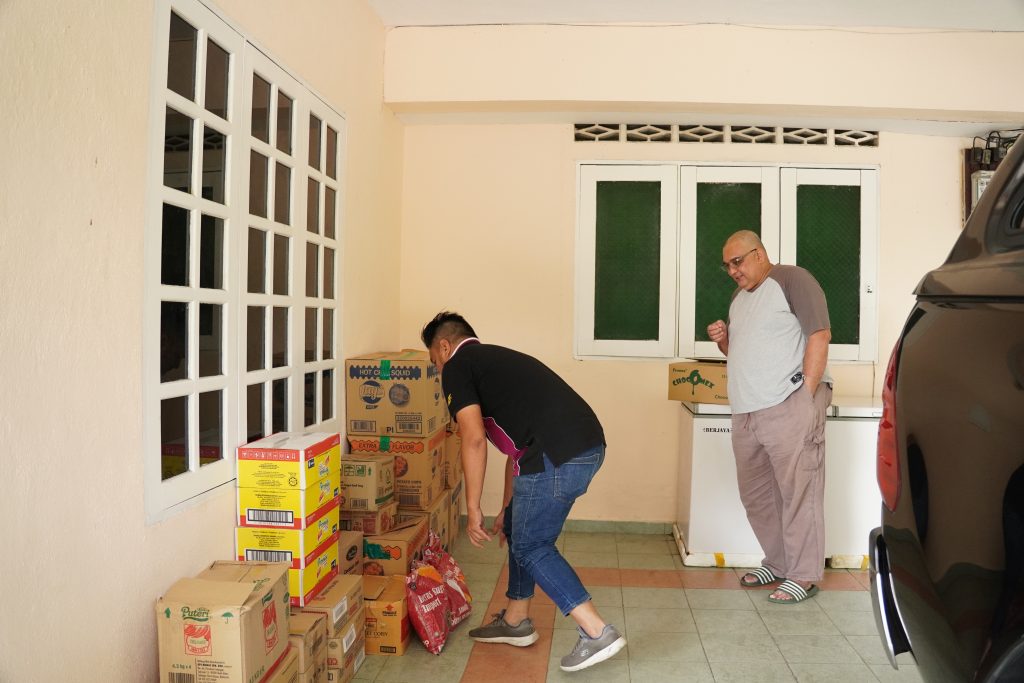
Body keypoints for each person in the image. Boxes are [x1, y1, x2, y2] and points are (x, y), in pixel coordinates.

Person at [421, 311, 626, 672]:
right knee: (518, 528)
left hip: (555, 456)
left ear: (444, 346)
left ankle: (597, 631)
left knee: (533, 546)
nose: (437, 369)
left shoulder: (457, 366)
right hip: (584, 447)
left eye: (434, 361)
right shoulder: (493, 362)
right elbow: (515, 452)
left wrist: (472, 508)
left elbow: (473, 439)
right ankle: (516, 620)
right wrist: (506, 508)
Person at [706, 230, 833, 604]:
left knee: (799, 492)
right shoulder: (739, 299)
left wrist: (806, 395)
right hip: (747, 410)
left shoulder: (793, 279)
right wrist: (723, 340)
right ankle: (778, 563)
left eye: (738, 262)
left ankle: (803, 575)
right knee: (758, 496)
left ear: (759, 254)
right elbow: (741, 352)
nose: (733, 271)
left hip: (787, 403)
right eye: (727, 266)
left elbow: (820, 334)